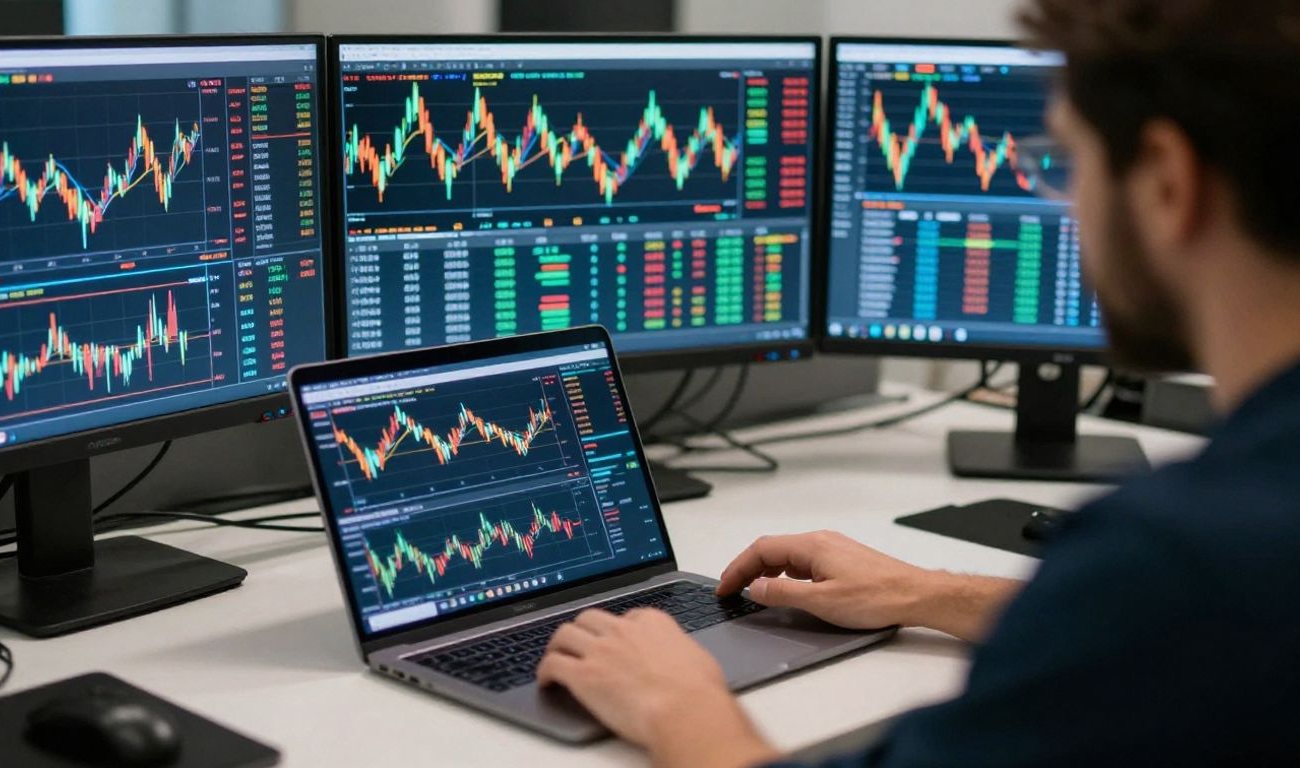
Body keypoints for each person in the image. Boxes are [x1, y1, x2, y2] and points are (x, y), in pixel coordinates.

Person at [534, 0, 1300, 765]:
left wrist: (679, 709)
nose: (1063, 202)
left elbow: (1174, 608)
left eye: (1065, 163)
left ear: (1167, 181)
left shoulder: (1181, 554)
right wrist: (927, 591)